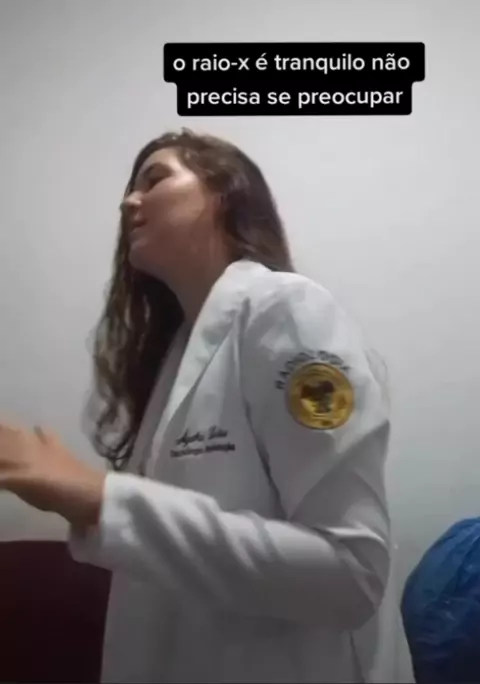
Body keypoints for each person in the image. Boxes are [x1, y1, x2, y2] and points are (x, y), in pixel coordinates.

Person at [0, 129, 408, 683]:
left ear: (224, 193)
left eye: (155, 178)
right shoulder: (177, 358)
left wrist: (100, 500)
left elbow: (350, 575)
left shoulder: (287, 311)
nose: (128, 202)